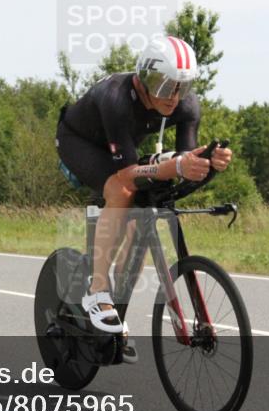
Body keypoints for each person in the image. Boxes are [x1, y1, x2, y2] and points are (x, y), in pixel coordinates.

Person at [56, 36, 232, 346]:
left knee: (141, 219)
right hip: (79, 142)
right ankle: (98, 290)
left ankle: (117, 308)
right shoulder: (117, 97)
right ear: (143, 78)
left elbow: (182, 163)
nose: (173, 97)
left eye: (182, 86)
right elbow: (126, 176)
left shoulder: (187, 105)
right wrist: (175, 166)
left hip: (122, 148)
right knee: (122, 192)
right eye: (164, 85)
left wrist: (206, 163)